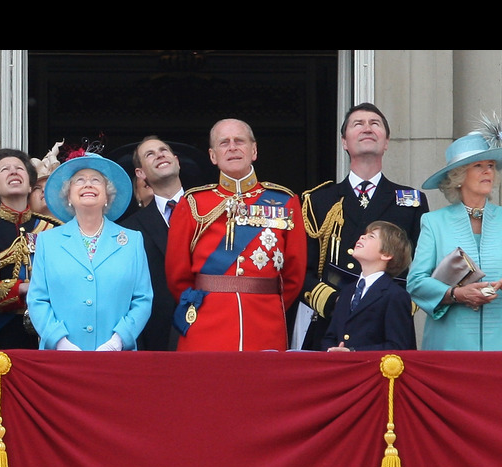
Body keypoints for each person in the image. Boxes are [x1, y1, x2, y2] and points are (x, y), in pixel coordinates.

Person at [165, 118, 306, 351]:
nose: (232, 147)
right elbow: (177, 275)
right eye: (224, 143)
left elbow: (294, 273)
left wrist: (266, 301)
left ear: (254, 150)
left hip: (264, 325)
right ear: (212, 156)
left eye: (239, 141)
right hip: (205, 326)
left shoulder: (285, 202)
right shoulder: (193, 204)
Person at [297, 103, 429, 350]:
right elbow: (303, 269)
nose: (367, 128)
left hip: (386, 323)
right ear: (344, 142)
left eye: (375, 124)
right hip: (332, 323)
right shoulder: (318, 200)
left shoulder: (411, 201)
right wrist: (335, 302)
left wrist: (397, 303)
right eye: (358, 124)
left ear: (386, 141)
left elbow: (423, 266)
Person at [406, 114, 502, 351]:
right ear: (458, 177)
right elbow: (415, 282)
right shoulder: (434, 222)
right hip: (451, 345)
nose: (487, 171)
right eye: (478, 165)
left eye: (491, 166)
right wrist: (457, 294)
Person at [26, 152, 153, 351]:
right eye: (79, 180)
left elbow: (143, 299)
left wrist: (117, 342)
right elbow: (37, 299)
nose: (88, 184)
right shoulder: (47, 241)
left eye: (96, 180)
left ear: (107, 195)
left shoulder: (132, 241)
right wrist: (60, 342)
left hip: (116, 358)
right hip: (60, 359)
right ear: (68, 195)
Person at [0, 148, 61, 350]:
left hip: (49, 334)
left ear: (31, 184)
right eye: (5, 169)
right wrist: (20, 289)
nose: (13, 172)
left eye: (19, 169)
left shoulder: (54, 230)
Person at [118, 137, 187, 351]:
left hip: (211, 331)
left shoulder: (210, 209)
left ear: (176, 161)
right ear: (141, 173)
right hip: (157, 339)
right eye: (150, 154)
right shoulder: (129, 230)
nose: (159, 154)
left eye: (163, 150)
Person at [322, 220, 416, 352]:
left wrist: (353, 352)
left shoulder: (395, 295)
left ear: (386, 254)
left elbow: (397, 346)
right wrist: (332, 350)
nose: (362, 237)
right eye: (364, 234)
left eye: (371, 236)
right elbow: (330, 337)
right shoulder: (347, 291)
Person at [30, 140, 65, 222]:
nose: (44, 190)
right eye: (36, 188)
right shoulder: (20, 231)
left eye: (51, 186)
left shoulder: (79, 229)